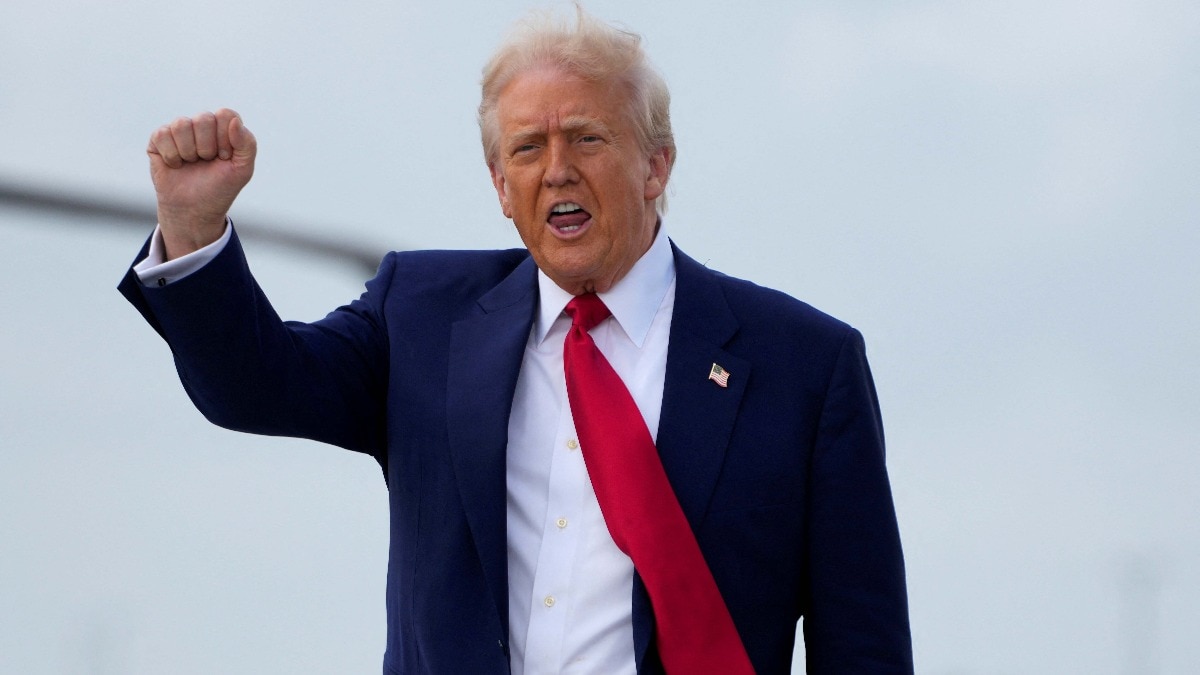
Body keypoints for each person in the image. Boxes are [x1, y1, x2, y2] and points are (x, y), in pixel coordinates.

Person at [119, 7, 912, 674]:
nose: (556, 170)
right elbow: (254, 384)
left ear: (656, 166)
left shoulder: (805, 366)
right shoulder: (419, 316)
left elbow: (864, 646)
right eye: (528, 148)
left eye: (587, 139)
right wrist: (192, 228)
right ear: (501, 185)